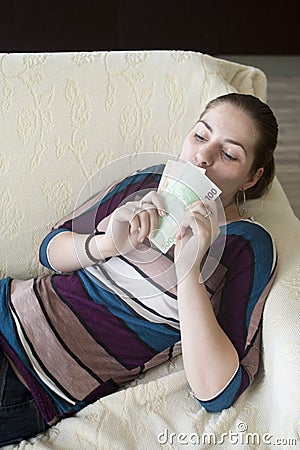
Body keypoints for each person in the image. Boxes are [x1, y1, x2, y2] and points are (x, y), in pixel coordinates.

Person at [0, 93, 278, 446]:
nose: (203, 157)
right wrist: (105, 244)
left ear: (251, 178)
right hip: (9, 305)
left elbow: (217, 393)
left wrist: (188, 273)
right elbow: (50, 249)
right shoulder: (150, 180)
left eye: (228, 154)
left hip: (35, 380)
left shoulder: (247, 244)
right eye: (200, 136)